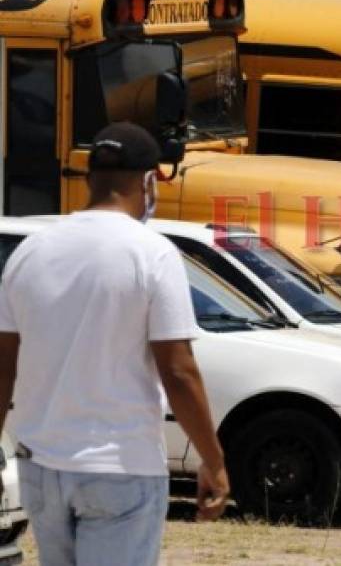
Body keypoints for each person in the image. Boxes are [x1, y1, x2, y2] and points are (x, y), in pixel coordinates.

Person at [0, 122, 229, 566]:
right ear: (148, 181)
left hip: (41, 465)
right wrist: (213, 461)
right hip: (120, 467)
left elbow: (3, 365)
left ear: (89, 178)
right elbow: (179, 371)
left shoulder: (31, 251)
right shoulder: (152, 253)